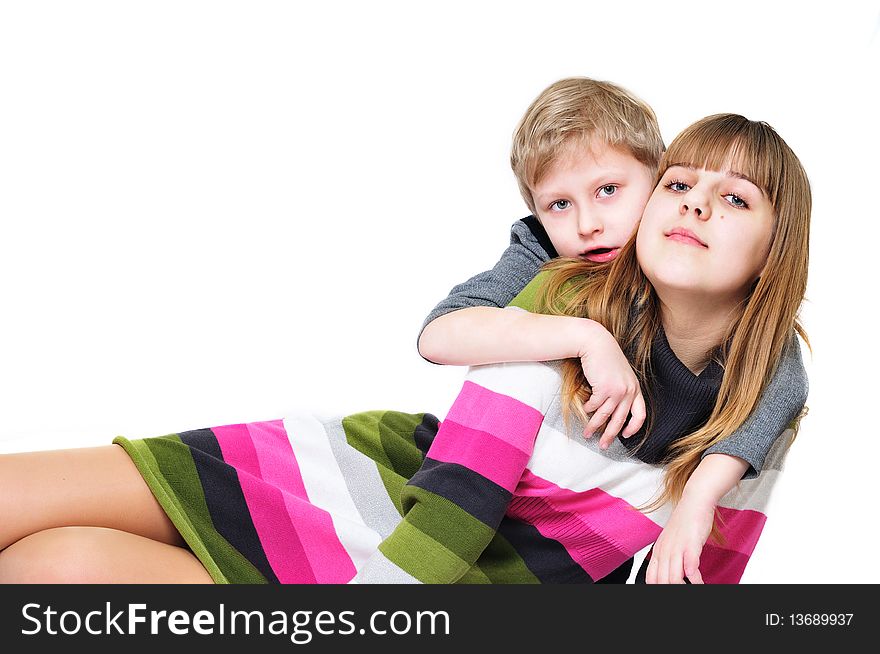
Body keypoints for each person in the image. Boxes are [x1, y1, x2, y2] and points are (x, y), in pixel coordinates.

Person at [0, 112, 810, 584]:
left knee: (52, 570)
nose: (696, 204)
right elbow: (457, 465)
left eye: (733, 198)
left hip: (445, 578)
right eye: (678, 184)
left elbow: (704, 577)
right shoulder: (557, 300)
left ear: (778, 247)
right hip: (395, 506)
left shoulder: (757, 407)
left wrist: (702, 493)